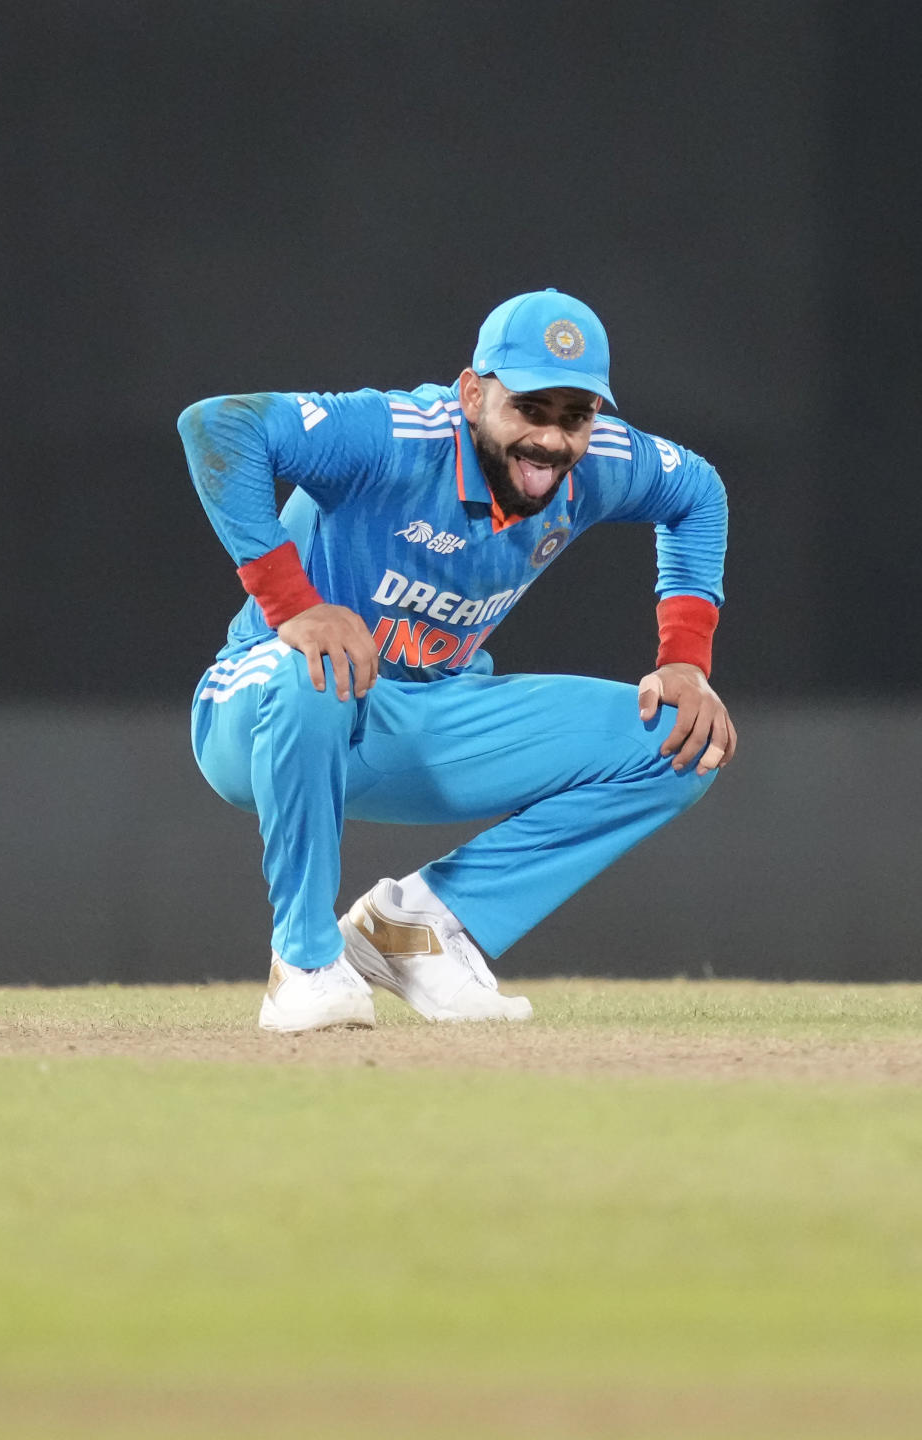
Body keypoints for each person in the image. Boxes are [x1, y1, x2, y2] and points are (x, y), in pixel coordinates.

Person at [178, 288, 735, 1034]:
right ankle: (305, 963)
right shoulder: (396, 435)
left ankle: (419, 927)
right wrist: (294, 606)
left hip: (422, 715)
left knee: (677, 741)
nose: (552, 439)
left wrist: (686, 660)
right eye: (530, 410)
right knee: (311, 671)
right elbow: (220, 426)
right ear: (472, 393)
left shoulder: (597, 460)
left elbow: (697, 492)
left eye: (575, 416)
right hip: (259, 713)